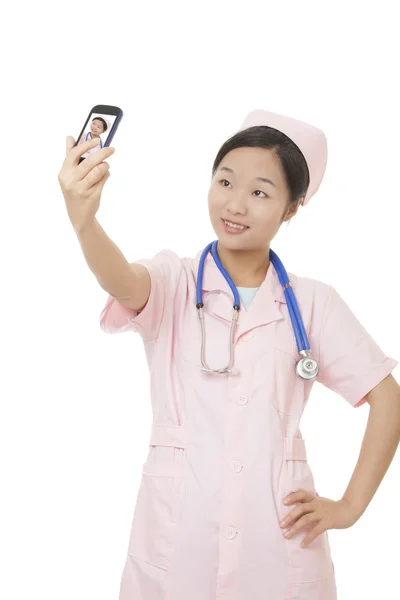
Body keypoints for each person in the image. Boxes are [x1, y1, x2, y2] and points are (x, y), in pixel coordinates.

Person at [58, 109, 400, 600]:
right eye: (225, 182)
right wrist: (85, 221)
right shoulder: (175, 281)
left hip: (279, 544)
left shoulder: (313, 303)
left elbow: (388, 399)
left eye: (260, 192)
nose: (235, 204)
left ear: (291, 209)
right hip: (178, 542)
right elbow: (121, 280)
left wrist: (349, 507)